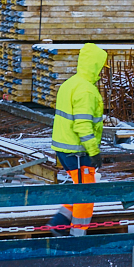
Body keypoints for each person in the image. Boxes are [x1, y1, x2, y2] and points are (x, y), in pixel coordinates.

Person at [49, 42, 107, 237]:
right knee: (86, 194)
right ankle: (77, 236)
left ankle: (59, 224)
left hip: (64, 149)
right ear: (95, 66)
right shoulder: (87, 91)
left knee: (79, 187)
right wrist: (94, 152)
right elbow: (82, 125)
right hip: (78, 151)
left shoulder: (70, 84)